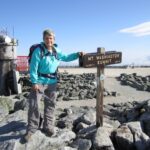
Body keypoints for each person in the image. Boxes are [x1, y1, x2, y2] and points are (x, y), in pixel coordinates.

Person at [22, 29, 84, 143]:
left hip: (52, 82)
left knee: (50, 105)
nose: (49, 40)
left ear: (54, 39)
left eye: (51, 38)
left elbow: (66, 57)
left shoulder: (56, 50)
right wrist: (34, 82)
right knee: (33, 105)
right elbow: (33, 68)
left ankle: (48, 126)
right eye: (46, 38)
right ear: (43, 39)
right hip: (39, 81)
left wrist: (77, 54)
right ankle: (31, 129)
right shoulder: (38, 51)